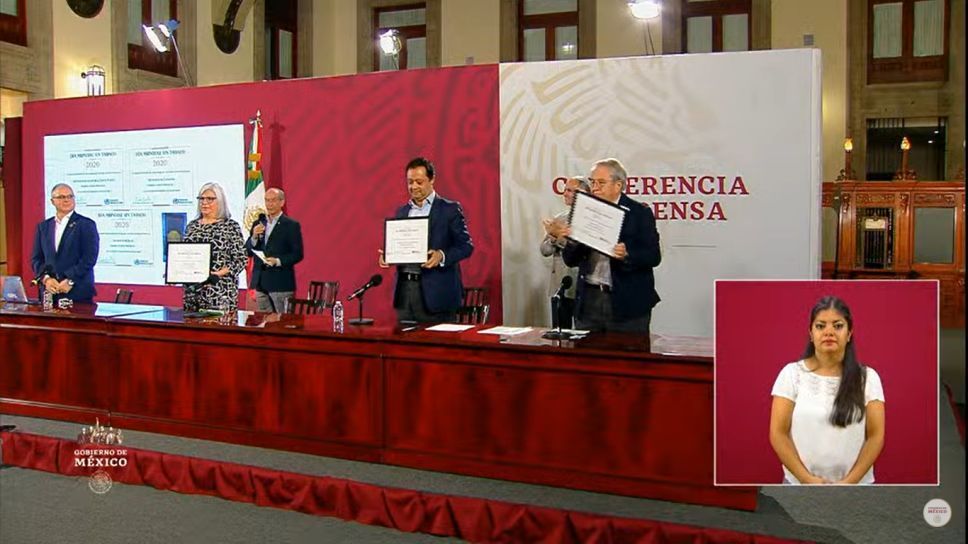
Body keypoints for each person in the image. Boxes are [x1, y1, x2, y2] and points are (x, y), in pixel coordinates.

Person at [768, 296, 886, 484]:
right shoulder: (791, 374)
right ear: (811, 333)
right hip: (799, 486)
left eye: (838, 326)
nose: (829, 332)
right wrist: (806, 479)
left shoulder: (868, 378)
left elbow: (876, 436)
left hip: (855, 487)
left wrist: (849, 483)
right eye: (820, 326)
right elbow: (778, 433)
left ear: (849, 333)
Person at [561, 158, 661, 333]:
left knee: (628, 350)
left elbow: (653, 256)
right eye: (592, 182)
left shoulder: (639, 213)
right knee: (588, 349)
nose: (595, 188)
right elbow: (570, 260)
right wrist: (572, 240)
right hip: (589, 300)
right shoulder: (583, 212)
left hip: (627, 301)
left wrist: (627, 254)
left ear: (618, 185)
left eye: (601, 183)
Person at [379, 157, 473, 323]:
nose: (414, 186)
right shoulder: (401, 212)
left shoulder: (449, 210)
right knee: (404, 339)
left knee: (438, 340)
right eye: (410, 182)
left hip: (437, 295)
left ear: (432, 180)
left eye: (419, 182)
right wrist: (388, 255)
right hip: (405, 294)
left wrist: (441, 256)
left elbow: (466, 246)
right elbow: (400, 245)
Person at [182, 182, 247, 312]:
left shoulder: (230, 226)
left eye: (210, 199)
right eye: (201, 199)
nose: (204, 202)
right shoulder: (192, 226)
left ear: (220, 202)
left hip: (219, 290)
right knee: (191, 324)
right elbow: (184, 254)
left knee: (217, 324)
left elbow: (241, 259)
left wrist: (219, 273)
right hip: (193, 292)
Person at [30, 183, 100, 304]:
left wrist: (70, 280)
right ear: (52, 201)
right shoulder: (44, 227)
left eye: (70, 196)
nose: (67, 200)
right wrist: (46, 279)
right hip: (49, 294)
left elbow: (89, 258)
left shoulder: (86, 224)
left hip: (77, 293)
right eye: (62, 197)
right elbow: (36, 259)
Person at [540, 176, 589, 328]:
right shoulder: (559, 219)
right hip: (560, 286)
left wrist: (560, 238)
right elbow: (544, 250)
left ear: (583, 194)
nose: (565, 194)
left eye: (570, 190)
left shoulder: (589, 221)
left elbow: (580, 251)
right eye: (565, 190)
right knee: (560, 333)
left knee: (583, 333)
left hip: (581, 287)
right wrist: (554, 237)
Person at [245, 188, 304, 313]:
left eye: (273, 200)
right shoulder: (258, 223)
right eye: (267, 200)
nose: (269, 204)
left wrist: (277, 261)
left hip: (280, 284)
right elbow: (248, 251)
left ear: (282, 202)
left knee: (282, 322)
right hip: (260, 284)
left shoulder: (291, 225)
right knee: (264, 321)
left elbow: (297, 254)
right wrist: (254, 236)